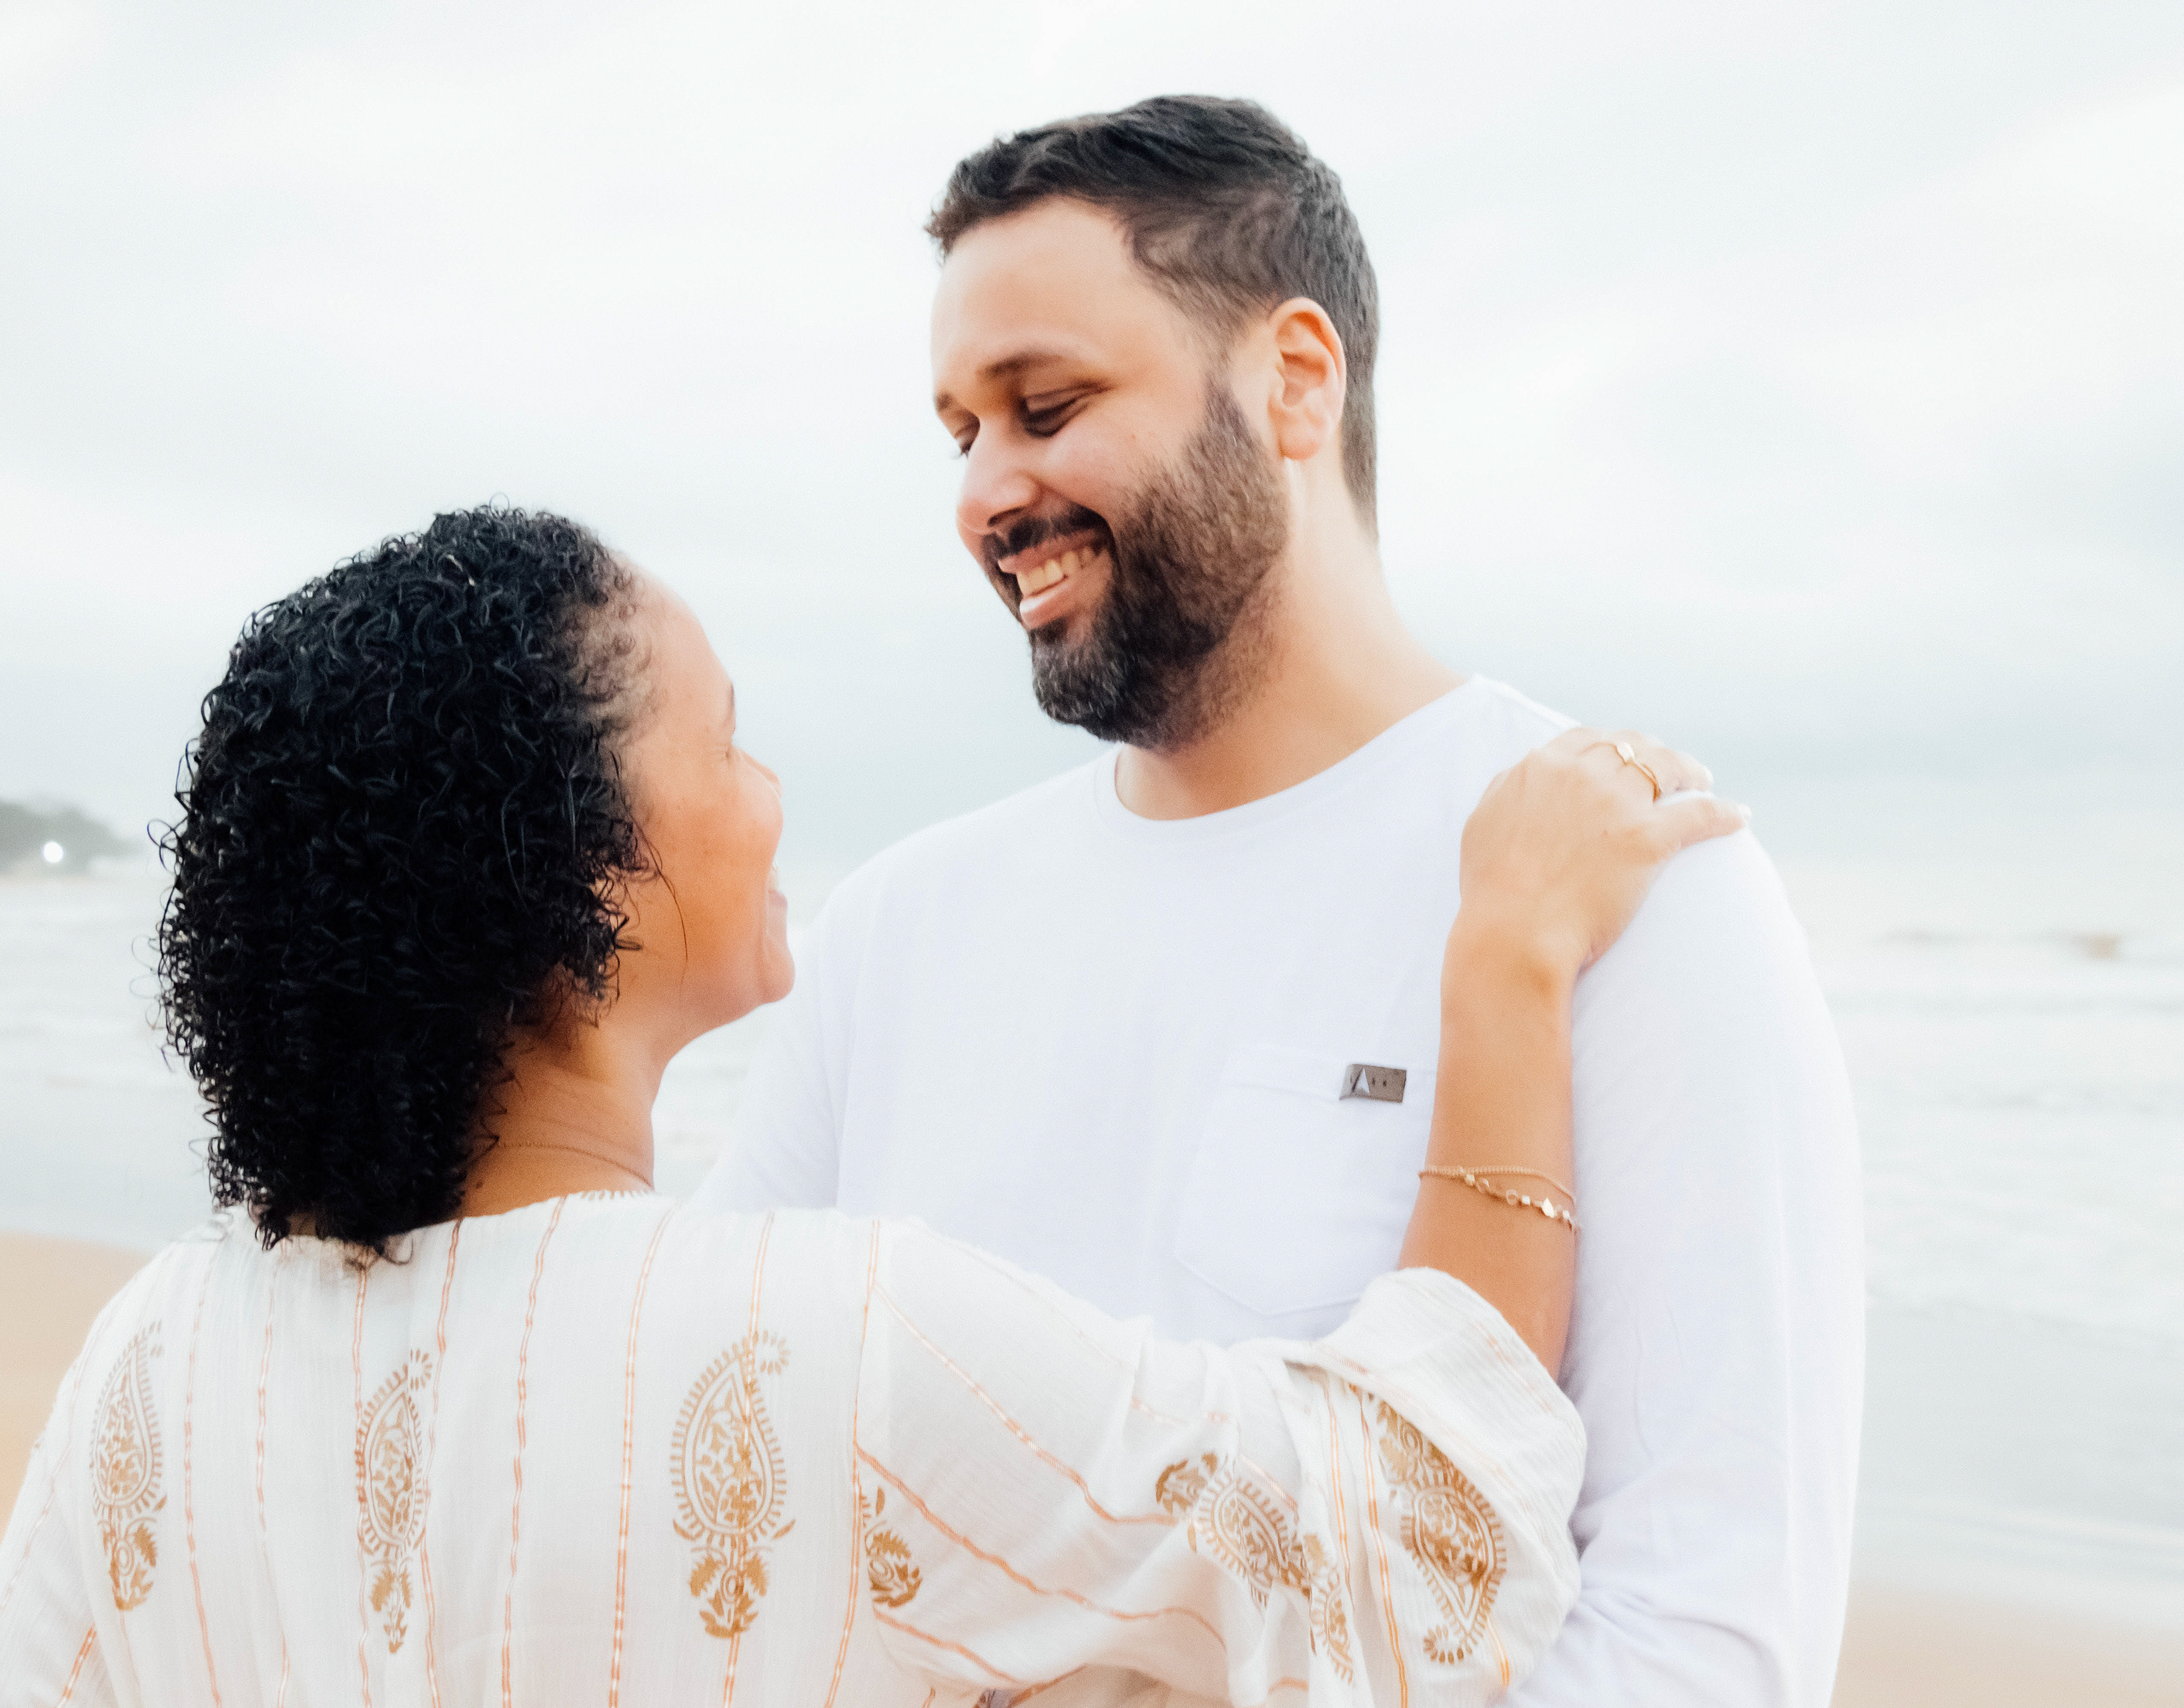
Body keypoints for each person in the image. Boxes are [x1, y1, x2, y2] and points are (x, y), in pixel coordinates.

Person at [0, 507, 1744, 1705]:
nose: (771, 791)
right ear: (591, 878)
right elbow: (1417, 1536)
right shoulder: (825, 1347)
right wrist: (1506, 959)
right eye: (727, 740)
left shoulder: (148, 1360)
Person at [698, 96, 1865, 1706]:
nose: (984, 492)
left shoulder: (1636, 881)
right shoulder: (896, 932)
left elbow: (1707, 1623)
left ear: (1295, 381)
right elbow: (710, 1458)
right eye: (960, 433)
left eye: (1045, 406)